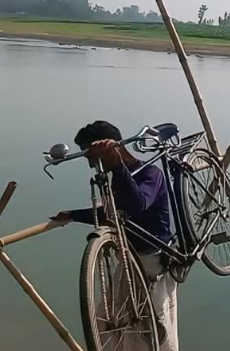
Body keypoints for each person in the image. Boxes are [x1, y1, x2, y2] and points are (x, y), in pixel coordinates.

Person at [52, 121, 178, 351]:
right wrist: (73, 215)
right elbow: (115, 214)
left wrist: (117, 166)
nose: (91, 164)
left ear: (114, 149)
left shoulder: (150, 173)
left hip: (153, 264)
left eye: (92, 156)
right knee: (108, 322)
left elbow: (137, 204)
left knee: (155, 330)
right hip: (130, 262)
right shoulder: (118, 179)